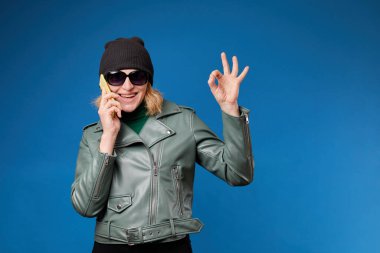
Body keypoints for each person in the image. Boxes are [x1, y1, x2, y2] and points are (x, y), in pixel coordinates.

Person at [71, 37, 254, 253]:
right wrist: (109, 136)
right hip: (112, 248)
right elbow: (86, 207)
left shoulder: (183, 121)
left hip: (171, 246)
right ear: (104, 82)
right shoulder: (94, 136)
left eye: (137, 76)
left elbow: (238, 173)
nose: (127, 86)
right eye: (116, 77)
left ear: (148, 80)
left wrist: (230, 109)